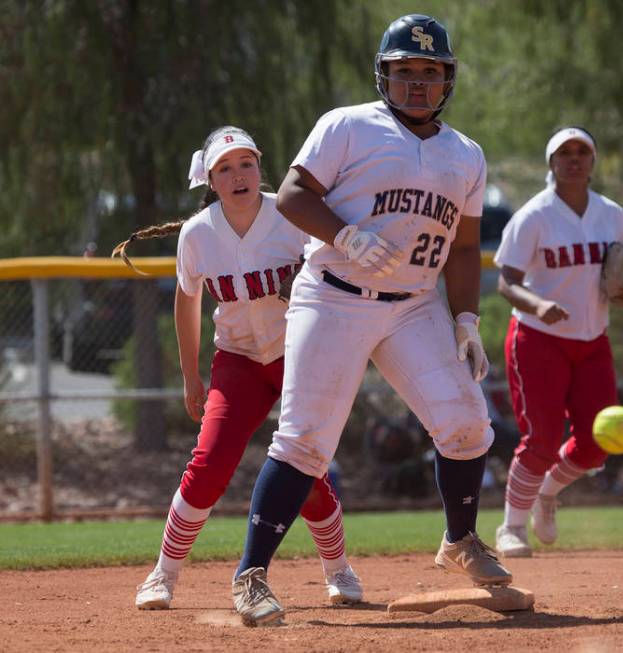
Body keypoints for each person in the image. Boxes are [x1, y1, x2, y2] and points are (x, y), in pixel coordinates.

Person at [230, 14, 511, 627]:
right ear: (383, 76)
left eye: (429, 72)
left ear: (448, 80)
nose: (417, 83)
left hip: (414, 305)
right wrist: (347, 236)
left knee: (467, 422)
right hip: (334, 292)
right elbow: (293, 195)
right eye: (405, 71)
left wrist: (466, 318)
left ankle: (460, 541)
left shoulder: (465, 155)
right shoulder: (349, 125)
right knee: (305, 440)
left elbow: (463, 249)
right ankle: (251, 576)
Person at [115, 125, 362, 613]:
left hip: (298, 354)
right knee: (208, 464)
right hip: (239, 360)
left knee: (306, 469)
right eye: (225, 168)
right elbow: (186, 303)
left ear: (260, 166)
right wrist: (191, 376)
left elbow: (332, 273)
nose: (238, 174)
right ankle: (162, 574)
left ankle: (338, 569)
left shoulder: (290, 214)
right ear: (210, 180)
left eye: (246, 163)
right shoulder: (198, 233)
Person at [492, 127, 623, 558]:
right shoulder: (534, 216)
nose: (574, 158)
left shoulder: (611, 214)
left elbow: (622, 272)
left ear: (593, 161)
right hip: (539, 338)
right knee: (542, 438)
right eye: (565, 152)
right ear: (551, 162)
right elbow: (506, 282)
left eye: (583, 151)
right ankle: (512, 527)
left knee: (595, 448)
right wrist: (537, 306)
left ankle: (547, 493)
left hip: (592, 339)